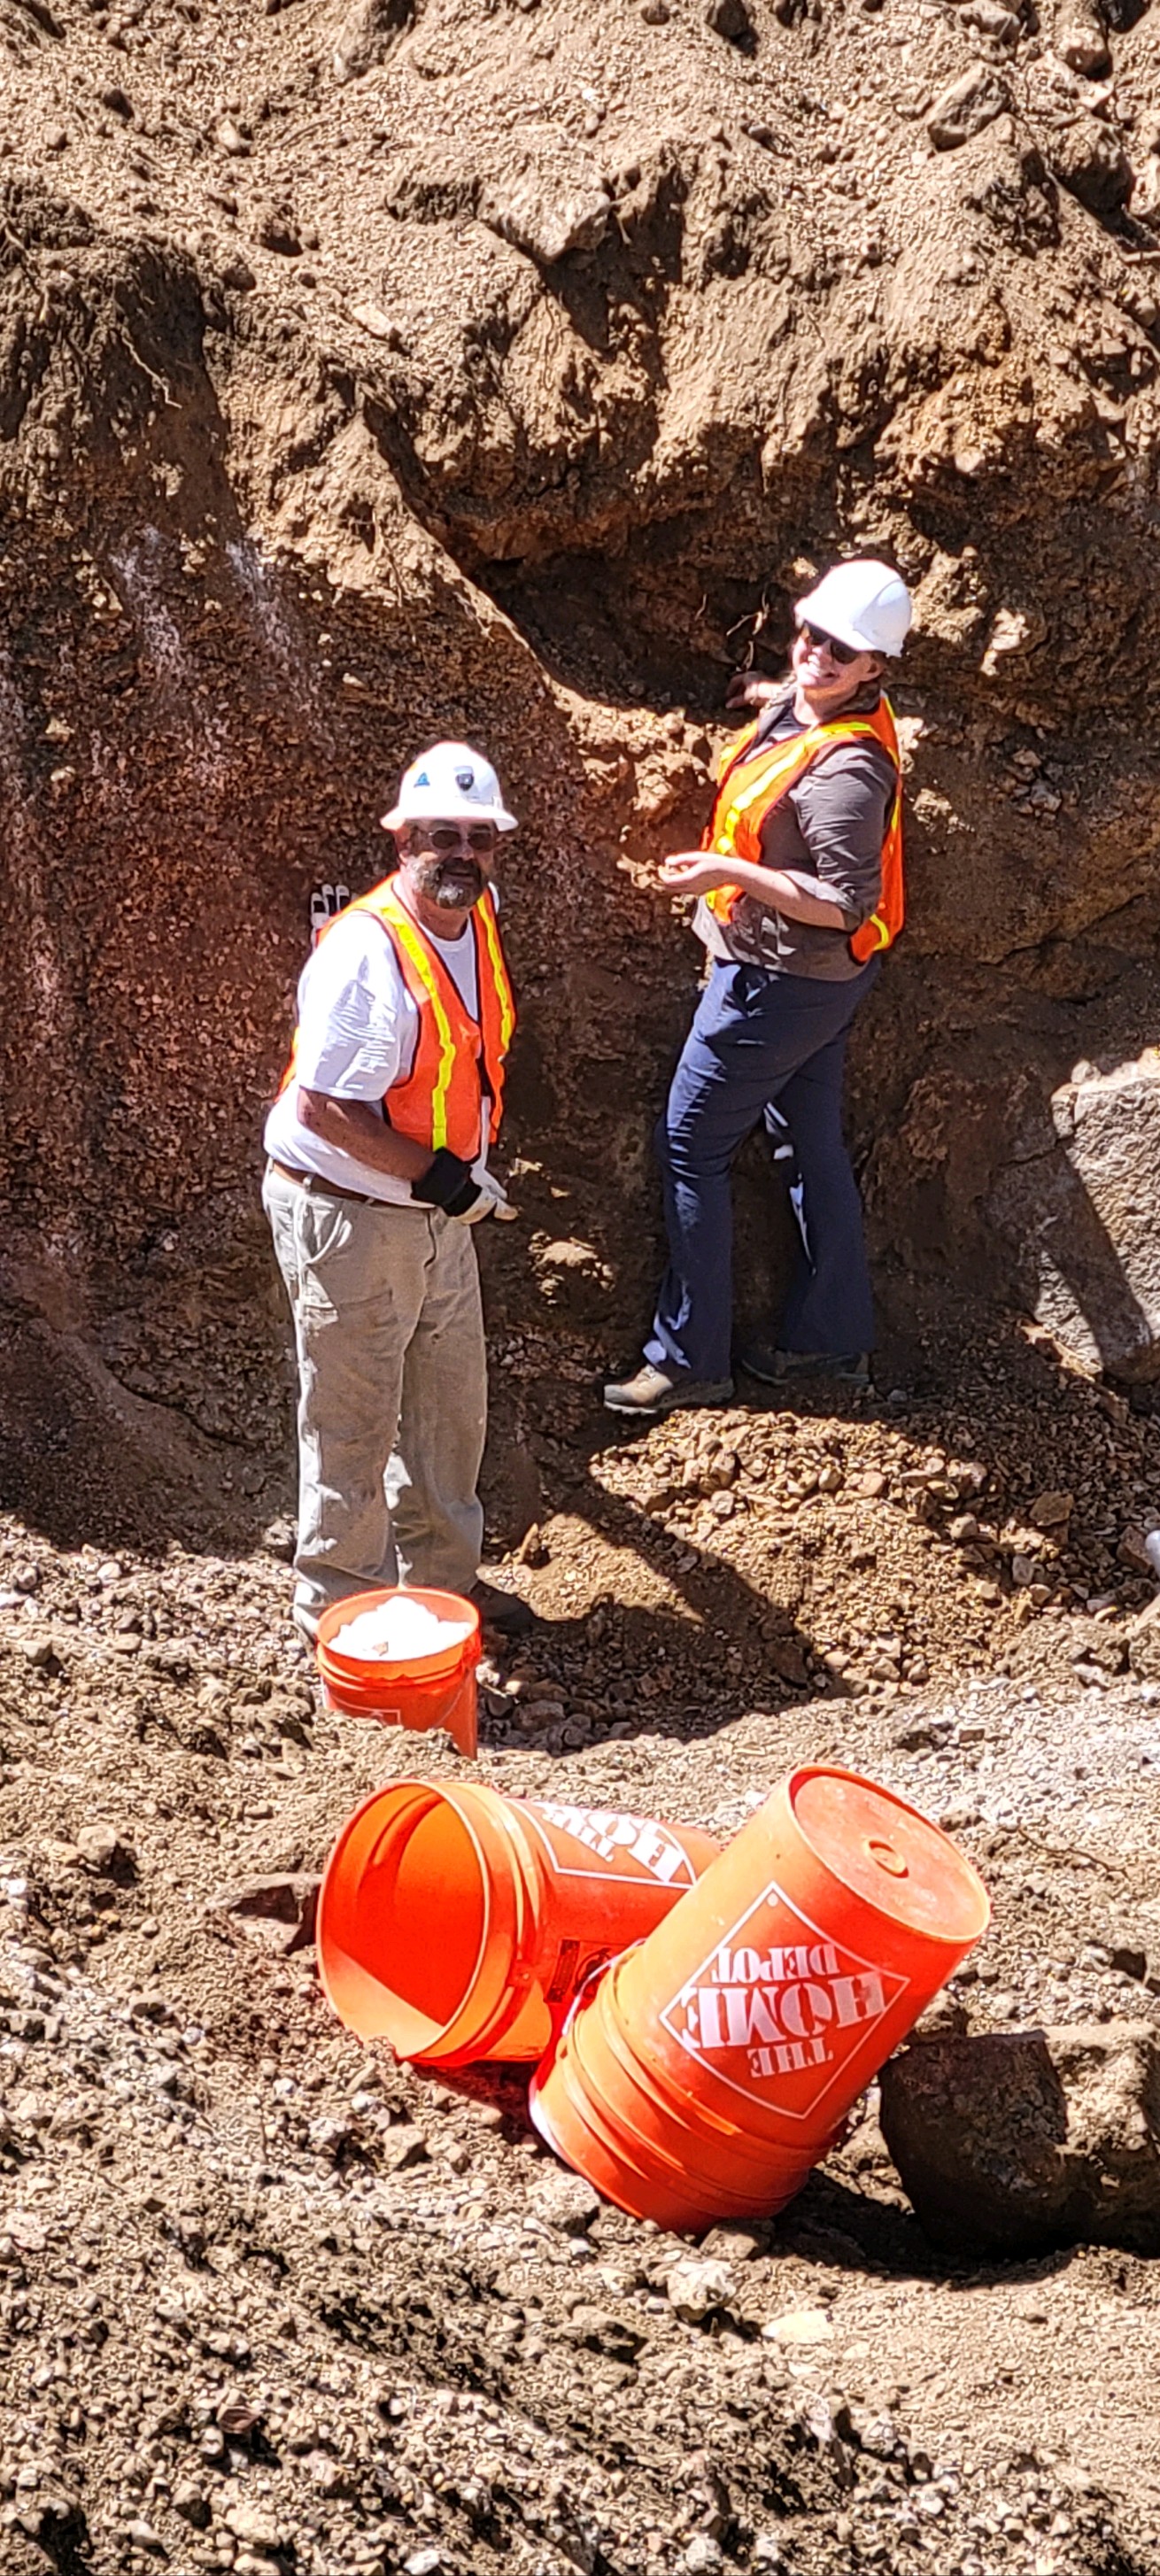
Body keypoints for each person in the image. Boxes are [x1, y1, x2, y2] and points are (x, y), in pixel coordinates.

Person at [605, 559, 913, 1420]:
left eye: (837, 647)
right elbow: (801, 696)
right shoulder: (823, 701)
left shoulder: (846, 779)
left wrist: (726, 868)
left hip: (775, 984)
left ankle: (688, 1357)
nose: (813, 651)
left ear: (873, 665)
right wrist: (771, 690)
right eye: (808, 632)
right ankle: (827, 1342)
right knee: (805, 1142)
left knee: (688, 1146)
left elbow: (839, 899)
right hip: (820, 985)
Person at [263, 740, 533, 1639]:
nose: (459, 851)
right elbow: (325, 1107)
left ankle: (440, 1592)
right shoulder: (365, 957)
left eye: (476, 837)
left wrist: (450, 1181)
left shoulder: (476, 916)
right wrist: (439, 1176)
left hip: (429, 1209)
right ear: (403, 840)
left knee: (449, 1410)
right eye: (438, 835)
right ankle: (341, 1613)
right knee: (352, 1418)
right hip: (349, 1212)